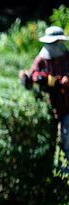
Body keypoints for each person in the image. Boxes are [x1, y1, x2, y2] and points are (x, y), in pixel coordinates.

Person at [20, 26, 69, 163]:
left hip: (66, 102)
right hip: (49, 102)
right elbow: (33, 74)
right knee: (50, 137)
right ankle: (52, 166)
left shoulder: (66, 57)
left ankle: (65, 166)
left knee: (66, 134)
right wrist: (42, 78)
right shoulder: (42, 59)